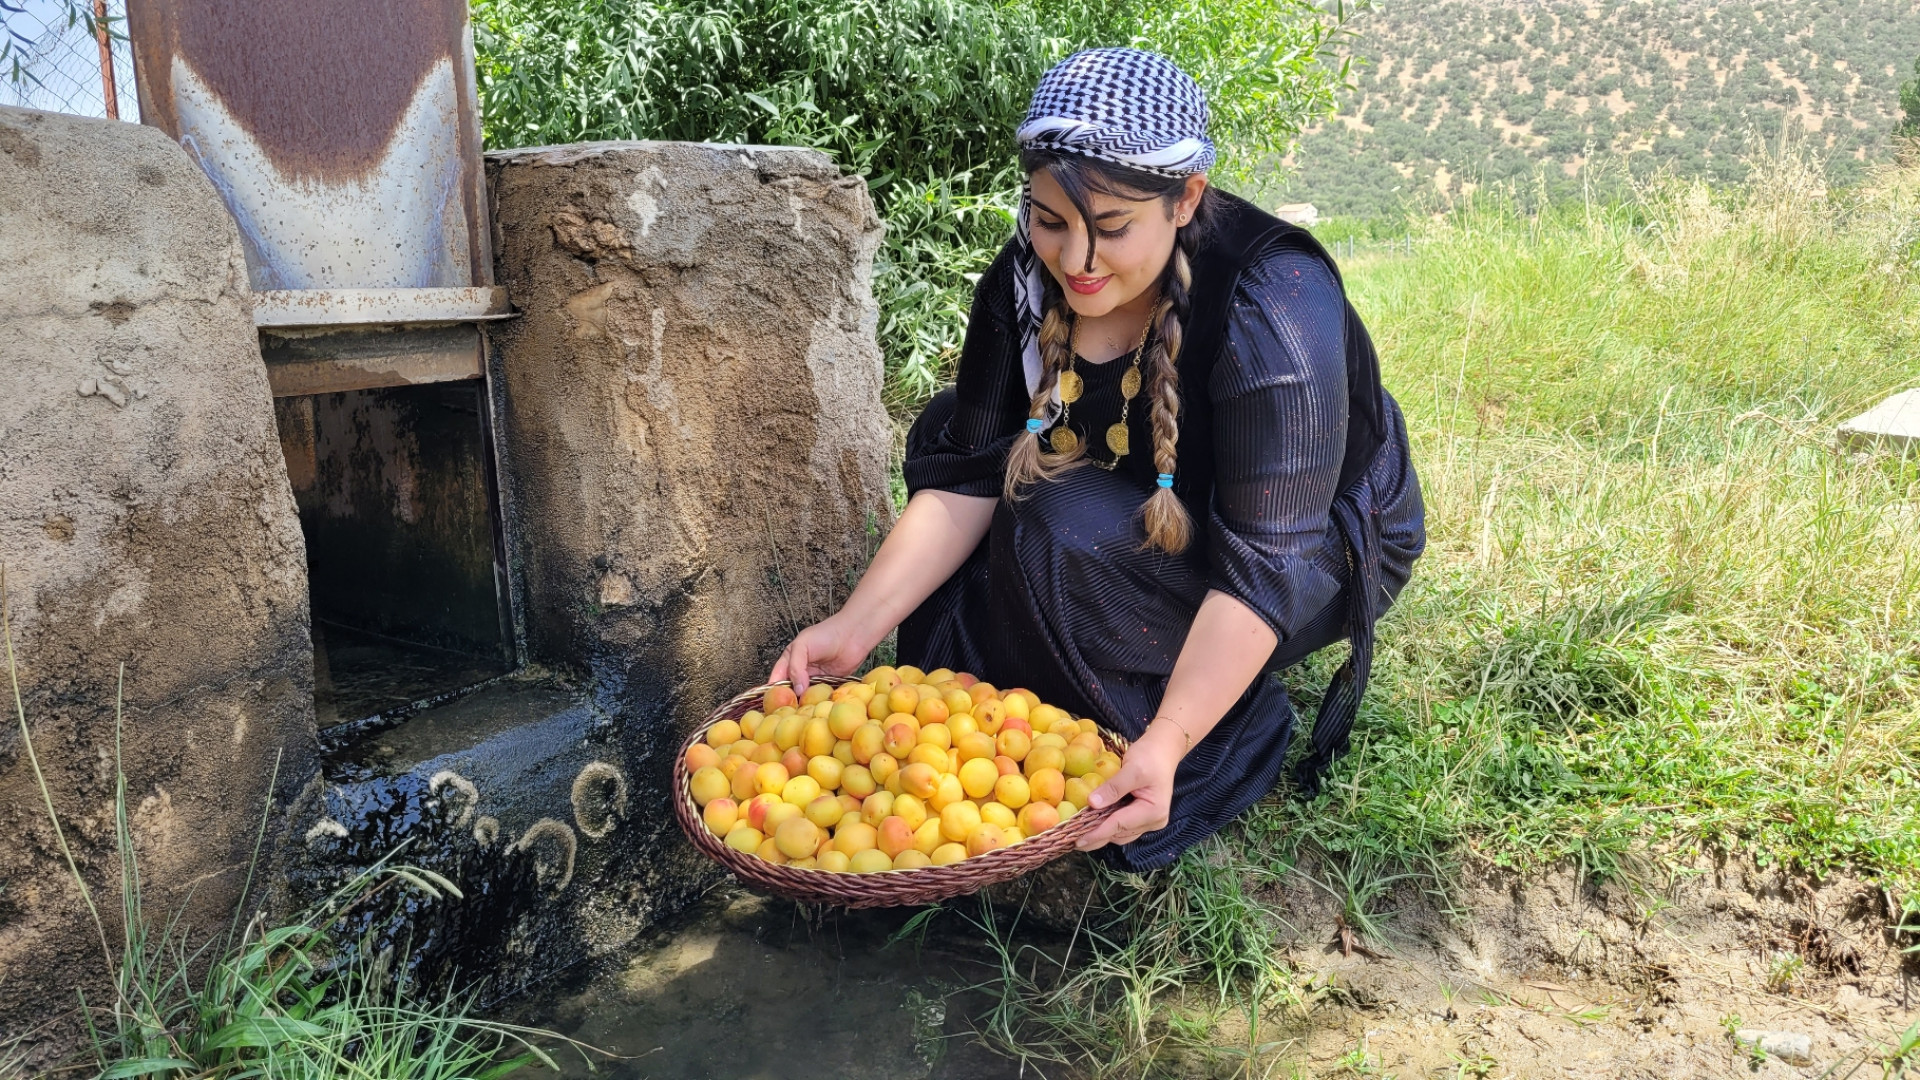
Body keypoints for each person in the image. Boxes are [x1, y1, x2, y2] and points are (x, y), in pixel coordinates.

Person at [772, 49, 1425, 871]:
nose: (1076, 263)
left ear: (1185, 199)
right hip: (1161, 490)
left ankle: (1221, 731)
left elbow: (1269, 561)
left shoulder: (1276, 306)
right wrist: (854, 629)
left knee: (1060, 527)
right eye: (1050, 221)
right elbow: (970, 474)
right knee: (962, 445)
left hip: (1311, 542)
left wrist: (1170, 738)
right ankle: (1094, 686)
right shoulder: (1023, 279)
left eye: (1112, 229)